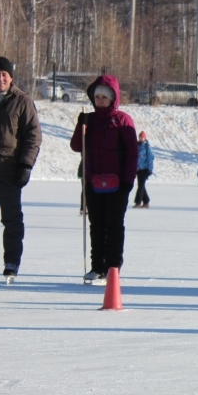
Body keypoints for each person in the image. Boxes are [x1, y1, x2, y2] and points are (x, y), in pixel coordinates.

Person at [0, 56, 41, 283]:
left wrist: (25, 165)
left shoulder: (22, 101)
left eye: (4, 74)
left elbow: (33, 136)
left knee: (12, 219)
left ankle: (11, 262)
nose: (0, 78)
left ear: (11, 77)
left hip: (8, 171)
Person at [70, 75, 138, 284]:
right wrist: (80, 127)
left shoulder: (122, 119)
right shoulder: (89, 119)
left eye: (104, 97)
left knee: (114, 225)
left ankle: (113, 267)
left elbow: (132, 152)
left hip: (117, 183)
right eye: (97, 96)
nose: (100, 100)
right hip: (94, 182)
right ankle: (97, 266)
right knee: (96, 225)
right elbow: (76, 146)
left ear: (113, 98)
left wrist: (128, 180)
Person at [133, 130, 154, 208]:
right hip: (139, 169)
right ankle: (146, 201)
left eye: (142, 137)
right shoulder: (137, 145)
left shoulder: (146, 146)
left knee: (141, 185)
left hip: (145, 169)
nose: (140, 138)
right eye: (139, 137)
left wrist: (150, 169)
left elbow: (150, 158)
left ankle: (137, 202)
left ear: (145, 138)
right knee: (141, 185)